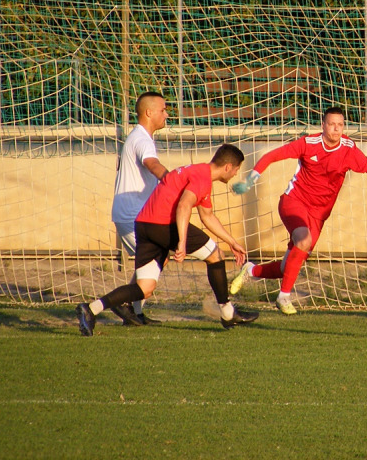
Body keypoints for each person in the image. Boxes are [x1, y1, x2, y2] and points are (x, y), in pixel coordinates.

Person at [76, 144, 258, 336]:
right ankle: (228, 313)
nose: (235, 175)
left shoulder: (197, 172)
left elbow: (207, 216)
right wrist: (181, 242)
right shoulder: (202, 178)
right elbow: (183, 206)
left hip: (144, 225)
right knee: (215, 255)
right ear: (228, 167)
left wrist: (232, 242)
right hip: (163, 225)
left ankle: (91, 309)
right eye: (237, 170)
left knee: (144, 288)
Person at [229, 106, 367, 315]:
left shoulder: (349, 149)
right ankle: (283, 297)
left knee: (286, 268)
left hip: (318, 216)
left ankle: (250, 270)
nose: (336, 129)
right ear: (323, 125)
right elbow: (271, 156)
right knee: (304, 240)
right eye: (332, 124)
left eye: (340, 125)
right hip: (294, 202)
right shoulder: (309, 144)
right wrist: (250, 180)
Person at [110, 91, 169, 327]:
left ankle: (134, 312)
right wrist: (172, 181)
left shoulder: (139, 137)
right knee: (156, 260)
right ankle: (116, 301)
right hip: (132, 216)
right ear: (149, 112)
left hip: (133, 215)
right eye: (163, 109)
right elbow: (151, 163)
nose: (166, 114)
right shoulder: (143, 140)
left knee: (152, 261)